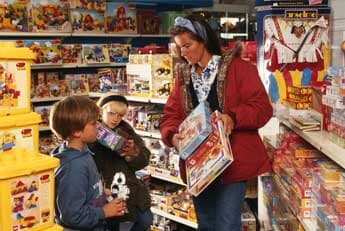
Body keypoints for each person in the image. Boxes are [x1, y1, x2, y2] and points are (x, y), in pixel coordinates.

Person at [160, 14, 273, 231]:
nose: (183, 52)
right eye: (179, 48)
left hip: (232, 164)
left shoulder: (239, 69)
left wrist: (233, 117)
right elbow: (170, 116)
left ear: (204, 40)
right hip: (198, 166)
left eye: (187, 45)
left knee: (227, 225)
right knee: (206, 224)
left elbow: (262, 109)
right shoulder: (183, 76)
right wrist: (173, 135)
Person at [50, 95, 127, 231]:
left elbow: (81, 193)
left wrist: (100, 194)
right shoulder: (74, 167)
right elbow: (72, 216)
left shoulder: (83, 151)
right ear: (76, 131)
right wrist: (104, 211)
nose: (98, 126)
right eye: (93, 123)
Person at [88, 94, 152, 231]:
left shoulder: (126, 130)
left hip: (130, 188)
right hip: (105, 189)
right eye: (111, 113)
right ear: (100, 110)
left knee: (146, 220)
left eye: (120, 115)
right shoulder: (89, 129)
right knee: (113, 224)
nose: (115, 119)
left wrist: (133, 153)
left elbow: (144, 160)